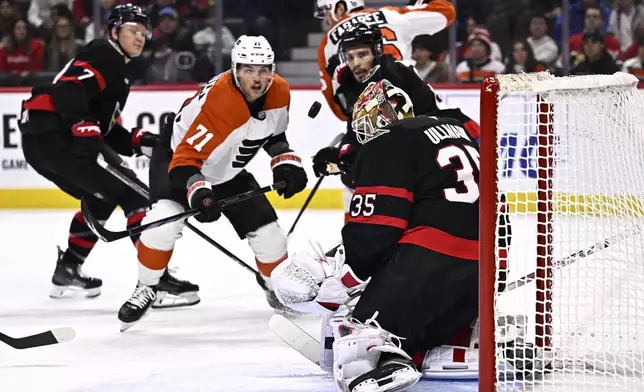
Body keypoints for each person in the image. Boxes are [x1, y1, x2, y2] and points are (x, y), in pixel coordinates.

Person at [271, 79, 485, 392]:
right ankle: (457, 341)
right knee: (429, 328)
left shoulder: (388, 140)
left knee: (358, 332)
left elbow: (377, 229)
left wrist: (346, 282)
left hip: (428, 264)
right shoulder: (456, 131)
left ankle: (378, 365)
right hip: (485, 271)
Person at [117, 35, 308, 332]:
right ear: (235, 69)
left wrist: (284, 160)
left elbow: (273, 135)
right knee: (162, 224)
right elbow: (184, 163)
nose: (257, 78)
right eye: (248, 69)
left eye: (263, 69)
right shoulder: (220, 104)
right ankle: (147, 286)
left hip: (227, 169)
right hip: (177, 161)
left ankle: (278, 288)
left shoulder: (280, 90)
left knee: (271, 238)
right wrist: (199, 191)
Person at [18, 4, 199, 308]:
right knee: (134, 195)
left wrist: (141, 141)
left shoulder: (116, 69)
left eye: (143, 33)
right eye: (132, 31)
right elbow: (68, 89)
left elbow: (105, 128)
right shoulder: (107, 54)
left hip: (43, 140)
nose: (140, 38)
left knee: (103, 197)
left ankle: (68, 268)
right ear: (114, 32)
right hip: (56, 135)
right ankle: (156, 280)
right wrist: (81, 123)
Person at [312, 23, 480, 218]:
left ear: (376, 52)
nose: (355, 63)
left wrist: (342, 154)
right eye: (350, 58)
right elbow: (364, 130)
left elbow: (380, 135)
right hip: (439, 138)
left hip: (457, 135)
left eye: (362, 55)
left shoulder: (390, 77)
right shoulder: (369, 78)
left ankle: (362, 240)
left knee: (360, 183)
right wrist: (342, 154)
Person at [315, 0, 456, 122]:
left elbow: (340, 112)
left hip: (371, 117)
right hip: (418, 98)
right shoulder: (391, 15)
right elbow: (446, 12)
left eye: (325, 12)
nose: (326, 20)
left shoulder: (327, 43)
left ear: (339, 8)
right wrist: (418, 4)